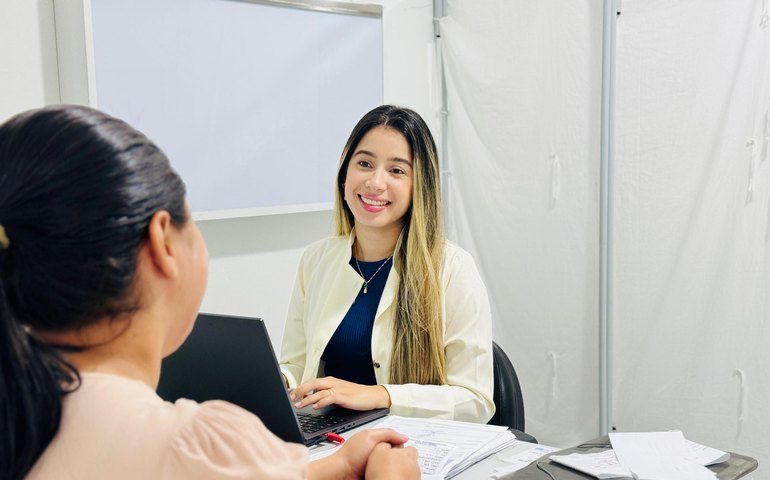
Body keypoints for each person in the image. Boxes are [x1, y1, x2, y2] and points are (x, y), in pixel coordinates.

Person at [0, 104, 420, 480]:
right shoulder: (196, 445)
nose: (376, 182)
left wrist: (338, 466)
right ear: (164, 242)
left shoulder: (19, 420)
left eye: (397, 170)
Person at [280, 105, 495, 423]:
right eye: (364, 163)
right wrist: (278, 381)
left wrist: (381, 395)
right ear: (344, 173)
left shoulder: (453, 270)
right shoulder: (315, 260)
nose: (375, 182)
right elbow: (298, 365)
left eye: (396, 171)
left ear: (418, 185)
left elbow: (475, 401)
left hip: (409, 449)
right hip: (330, 440)